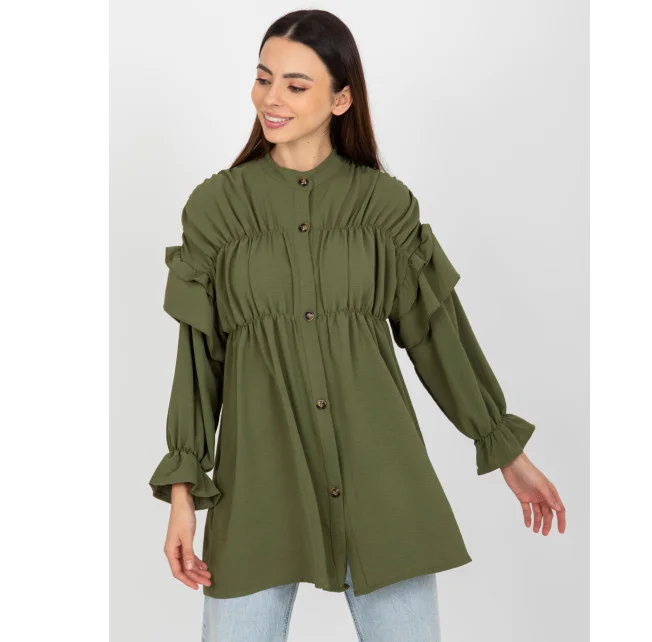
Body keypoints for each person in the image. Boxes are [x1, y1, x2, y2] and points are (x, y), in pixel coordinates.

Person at [148, 9, 566, 642]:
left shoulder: (383, 207)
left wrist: (503, 446)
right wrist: (183, 494)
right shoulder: (217, 210)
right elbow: (198, 361)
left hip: (382, 483)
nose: (271, 98)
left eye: (296, 85)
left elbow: (438, 338)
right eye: (264, 78)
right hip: (259, 484)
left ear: (341, 99)